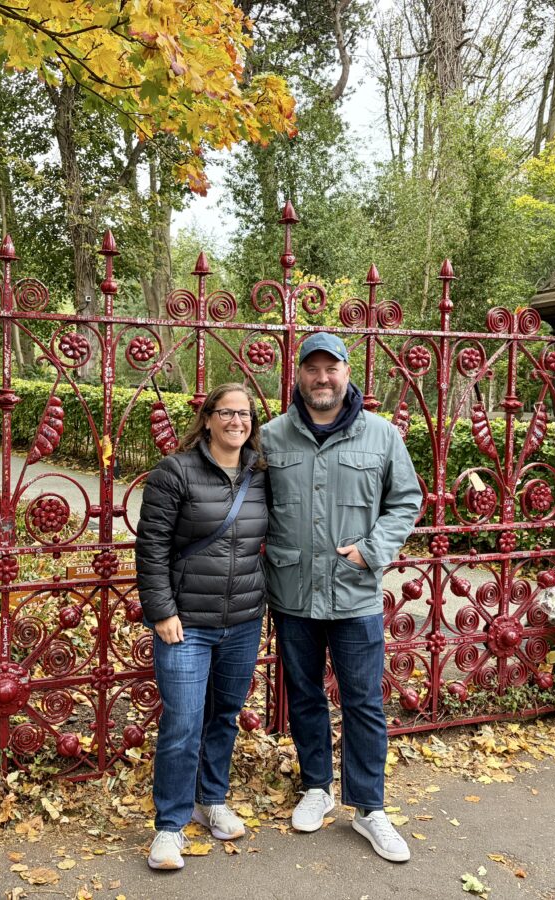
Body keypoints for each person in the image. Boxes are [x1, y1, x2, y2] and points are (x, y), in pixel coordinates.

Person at [261, 332, 423, 863]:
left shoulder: (382, 436)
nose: (322, 378)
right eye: (313, 369)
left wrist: (372, 550)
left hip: (355, 596)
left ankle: (369, 807)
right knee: (304, 696)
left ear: (348, 373)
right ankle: (316, 788)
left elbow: (406, 500)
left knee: (362, 702)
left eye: (332, 368)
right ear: (299, 374)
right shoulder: (270, 438)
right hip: (292, 594)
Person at [135, 383, 269, 871]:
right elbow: (150, 549)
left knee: (224, 715)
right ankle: (170, 826)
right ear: (208, 418)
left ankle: (211, 800)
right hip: (186, 624)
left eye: (245, 414)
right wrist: (162, 611)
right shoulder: (176, 472)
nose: (237, 421)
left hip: (243, 620)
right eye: (227, 413)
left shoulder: (260, 473)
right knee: (183, 723)